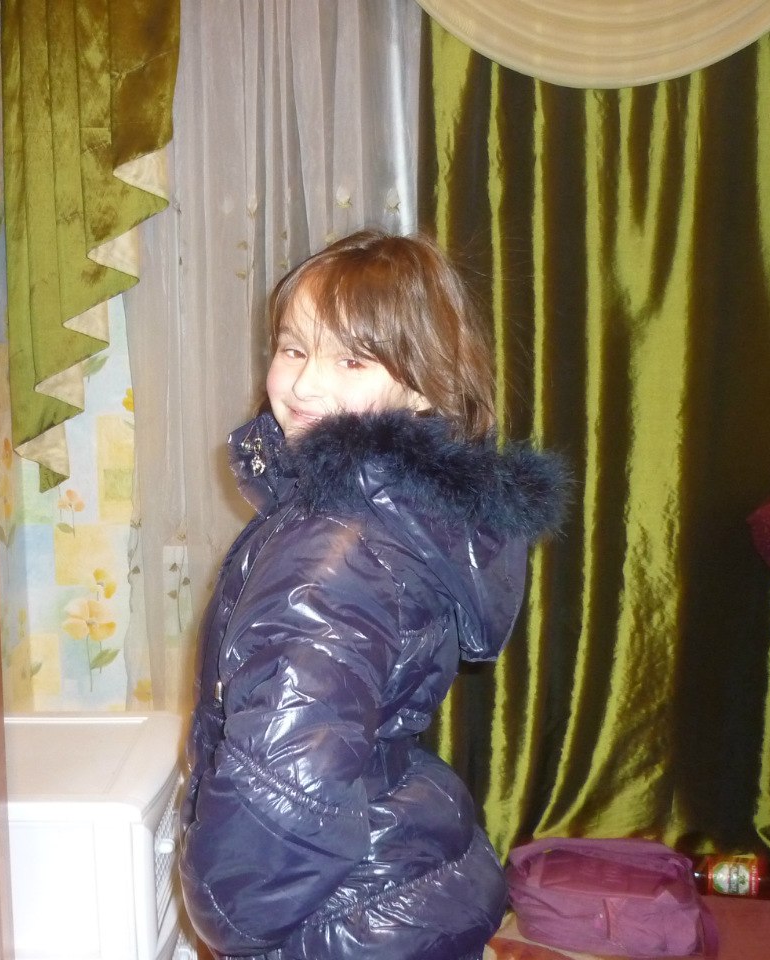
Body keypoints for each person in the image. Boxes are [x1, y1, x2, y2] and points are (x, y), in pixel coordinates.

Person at [179, 229, 569, 960]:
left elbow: (282, 787)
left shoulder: (333, 552)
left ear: (422, 385)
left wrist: (223, 916)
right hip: (393, 874)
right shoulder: (396, 512)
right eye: (293, 349)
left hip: (335, 919)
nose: (303, 385)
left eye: (351, 360)